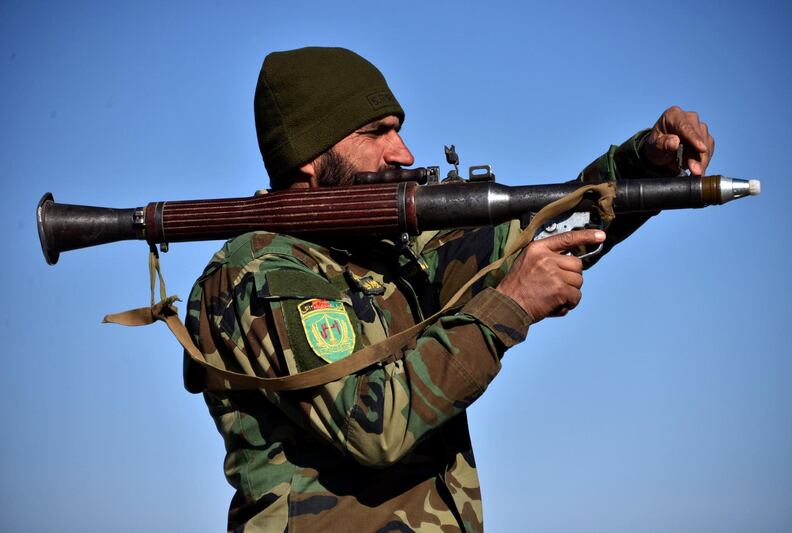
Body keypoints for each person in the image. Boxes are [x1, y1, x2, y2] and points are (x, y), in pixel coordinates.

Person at [183, 47, 714, 532]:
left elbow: (548, 232)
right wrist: (510, 306)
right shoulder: (262, 269)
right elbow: (373, 424)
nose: (405, 154)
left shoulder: (389, 253)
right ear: (309, 152)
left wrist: (642, 162)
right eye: (377, 132)